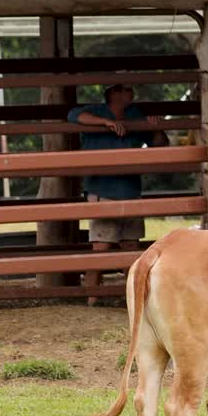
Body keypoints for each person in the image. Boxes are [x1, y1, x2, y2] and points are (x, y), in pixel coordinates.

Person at [67, 84, 167, 303]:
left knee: (131, 247)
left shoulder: (136, 114)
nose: (130, 92)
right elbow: (73, 115)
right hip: (102, 189)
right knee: (100, 247)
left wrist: (155, 127)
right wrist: (106, 122)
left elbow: (159, 144)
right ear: (113, 94)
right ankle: (91, 297)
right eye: (124, 89)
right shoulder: (96, 111)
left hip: (129, 189)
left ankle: (134, 298)